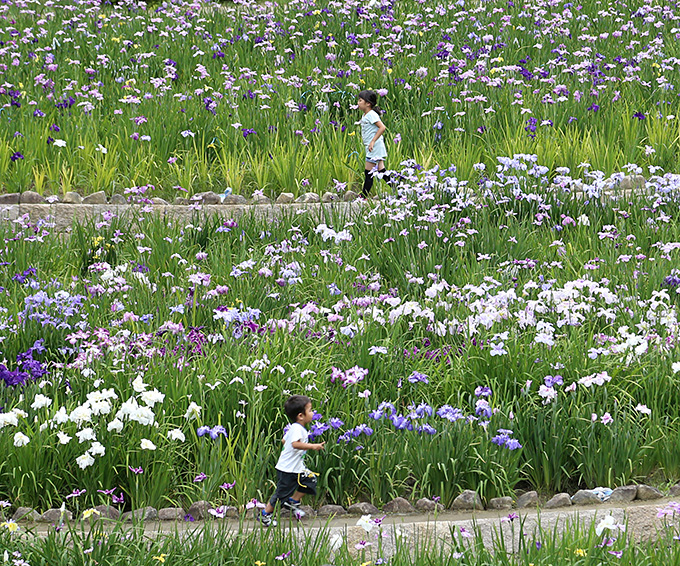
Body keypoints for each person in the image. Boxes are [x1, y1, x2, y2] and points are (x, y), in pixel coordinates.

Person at [258, 395, 325, 527]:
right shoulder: (297, 429)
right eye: (310, 410)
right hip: (287, 469)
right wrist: (313, 446)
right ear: (301, 415)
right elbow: (294, 444)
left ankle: (292, 501)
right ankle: (265, 515)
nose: (313, 413)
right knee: (280, 495)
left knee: (310, 479)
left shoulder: (295, 428)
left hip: (296, 467)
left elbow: (284, 440)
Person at [357, 90, 392, 197]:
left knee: (368, 172)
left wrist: (372, 141)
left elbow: (382, 127)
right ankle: (398, 188)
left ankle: (364, 196)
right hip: (373, 147)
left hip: (374, 147)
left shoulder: (371, 114)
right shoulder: (366, 115)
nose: (358, 103)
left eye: (360, 100)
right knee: (381, 171)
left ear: (368, 103)